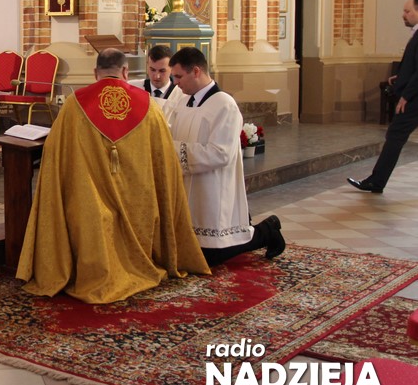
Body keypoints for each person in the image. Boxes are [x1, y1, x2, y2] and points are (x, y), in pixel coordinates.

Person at [16, 48, 210, 304]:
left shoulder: (75, 104)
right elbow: (164, 160)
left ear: (95, 72)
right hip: (138, 203)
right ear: (126, 72)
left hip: (88, 204)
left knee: (87, 210)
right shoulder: (149, 106)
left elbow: (55, 155)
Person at [166, 47, 285, 266]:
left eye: (179, 76)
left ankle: (266, 231)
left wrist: (172, 149)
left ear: (196, 71)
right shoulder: (183, 101)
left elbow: (220, 154)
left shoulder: (224, 105)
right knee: (188, 251)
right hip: (187, 185)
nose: (175, 82)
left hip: (213, 188)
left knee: (211, 256)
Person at [348, 0, 418, 194]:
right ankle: (377, 180)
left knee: (395, 136)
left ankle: (376, 181)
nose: (403, 15)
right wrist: (400, 77)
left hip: (414, 100)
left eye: (408, 11)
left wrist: (406, 96)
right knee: (395, 136)